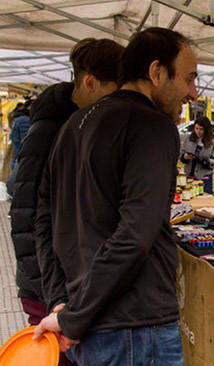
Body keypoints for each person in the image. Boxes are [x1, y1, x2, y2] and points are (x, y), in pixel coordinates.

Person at [32, 27, 197, 366]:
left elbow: (45, 224)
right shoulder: (153, 126)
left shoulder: (72, 127)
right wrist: (70, 315)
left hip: (92, 323)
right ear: (156, 72)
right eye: (189, 78)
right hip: (135, 328)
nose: (193, 92)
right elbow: (135, 234)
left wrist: (62, 305)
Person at [9, 38, 123, 366]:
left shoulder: (77, 126)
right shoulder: (55, 131)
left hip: (63, 288)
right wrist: (55, 296)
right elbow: (30, 217)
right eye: (115, 90)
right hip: (49, 290)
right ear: (89, 82)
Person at [179, 116, 214, 195]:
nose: (198, 131)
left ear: (206, 129)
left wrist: (206, 161)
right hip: (189, 176)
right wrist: (185, 157)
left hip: (204, 178)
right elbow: (181, 154)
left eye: (201, 129)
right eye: (196, 128)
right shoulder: (188, 139)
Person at [9, 101, 31, 169]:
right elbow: (25, 143)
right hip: (22, 160)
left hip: (17, 158)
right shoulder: (25, 120)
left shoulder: (18, 118)